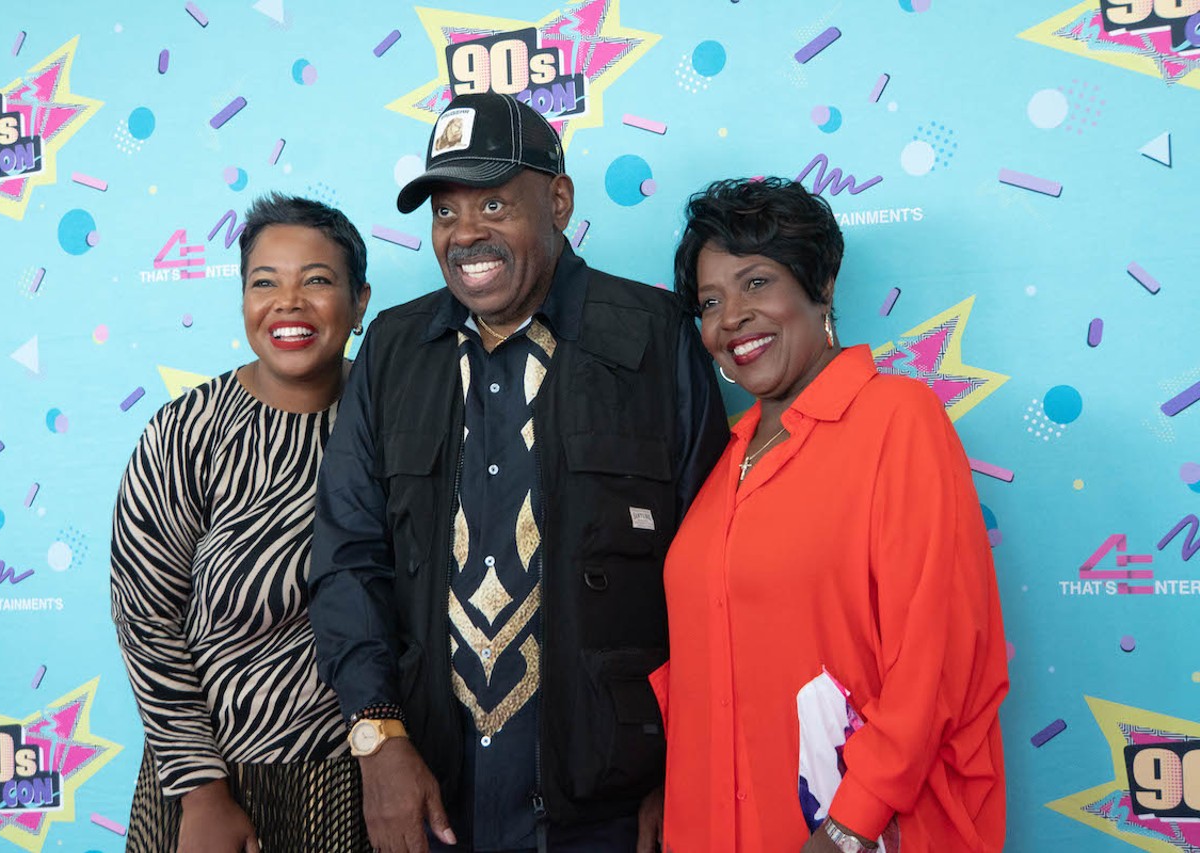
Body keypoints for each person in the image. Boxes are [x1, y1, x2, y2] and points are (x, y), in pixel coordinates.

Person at [309, 92, 729, 853]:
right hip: (432, 794)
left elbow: (714, 571)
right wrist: (377, 737)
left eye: (495, 202)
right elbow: (348, 559)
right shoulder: (394, 352)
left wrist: (686, 764)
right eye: (444, 211)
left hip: (610, 805)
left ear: (559, 200)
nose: (465, 233)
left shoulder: (653, 337)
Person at [653, 177, 1009, 852]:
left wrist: (851, 822)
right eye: (709, 301)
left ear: (821, 284)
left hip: (854, 831)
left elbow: (935, 654)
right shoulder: (725, 460)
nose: (730, 317)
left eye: (756, 283)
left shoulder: (896, 419)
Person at [111, 194, 373, 852]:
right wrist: (201, 794)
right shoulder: (188, 431)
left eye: (316, 280)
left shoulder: (394, 424)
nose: (288, 303)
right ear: (243, 300)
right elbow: (146, 622)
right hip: (210, 787)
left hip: (360, 785)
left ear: (360, 301)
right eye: (265, 282)